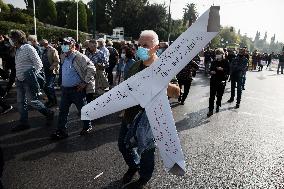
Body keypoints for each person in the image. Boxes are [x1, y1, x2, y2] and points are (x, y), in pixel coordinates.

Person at [119, 30, 180, 189]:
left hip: (150, 120)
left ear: (156, 47)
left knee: (146, 151)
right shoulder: (134, 66)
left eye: (145, 45)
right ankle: (134, 166)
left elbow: (176, 93)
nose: (141, 48)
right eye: (139, 45)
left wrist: (162, 83)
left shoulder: (164, 67)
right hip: (130, 116)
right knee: (123, 145)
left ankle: (144, 177)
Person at [50, 37, 96, 140]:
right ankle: (61, 131)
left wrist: (84, 82)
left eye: (67, 44)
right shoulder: (63, 56)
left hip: (77, 90)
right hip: (66, 90)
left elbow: (92, 69)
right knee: (63, 111)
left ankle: (87, 126)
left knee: (83, 110)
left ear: (73, 46)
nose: (64, 46)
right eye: (63, 44)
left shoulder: (79, 57)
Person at [9, 30, 54, 132]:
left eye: (11, 38)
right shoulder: (17, 49)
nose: (10, 40)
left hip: (27, 80)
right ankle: (24, 123)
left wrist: (31, 76)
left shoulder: (28, 48)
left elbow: (39, 65)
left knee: (32, 101)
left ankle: (48, 113)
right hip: (19, 80)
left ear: (17, 39)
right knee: (21, 102)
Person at [207, 48, 230, 117]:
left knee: (219, 95)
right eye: (217, 54)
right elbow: (210, 70)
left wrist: (222, 69)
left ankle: (217, 104)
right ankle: (210, 110)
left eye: (219, 54)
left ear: (222, 54)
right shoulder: (214, 62)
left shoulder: (226, 61)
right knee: (212, 96)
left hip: (222, 80)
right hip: (213, 80)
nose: (218, 55)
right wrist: (211, 72)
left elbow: (228, 71)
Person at [40, 39, 60, 107]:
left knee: (49, 87)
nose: (41, 46)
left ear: (46, 44)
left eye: (42, 45)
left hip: (52, 71)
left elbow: (57, 61)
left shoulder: (52, 50)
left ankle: (53, 102)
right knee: (45, 87)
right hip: (45, 71)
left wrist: (52, 66)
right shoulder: (43, 50)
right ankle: (50, 100)